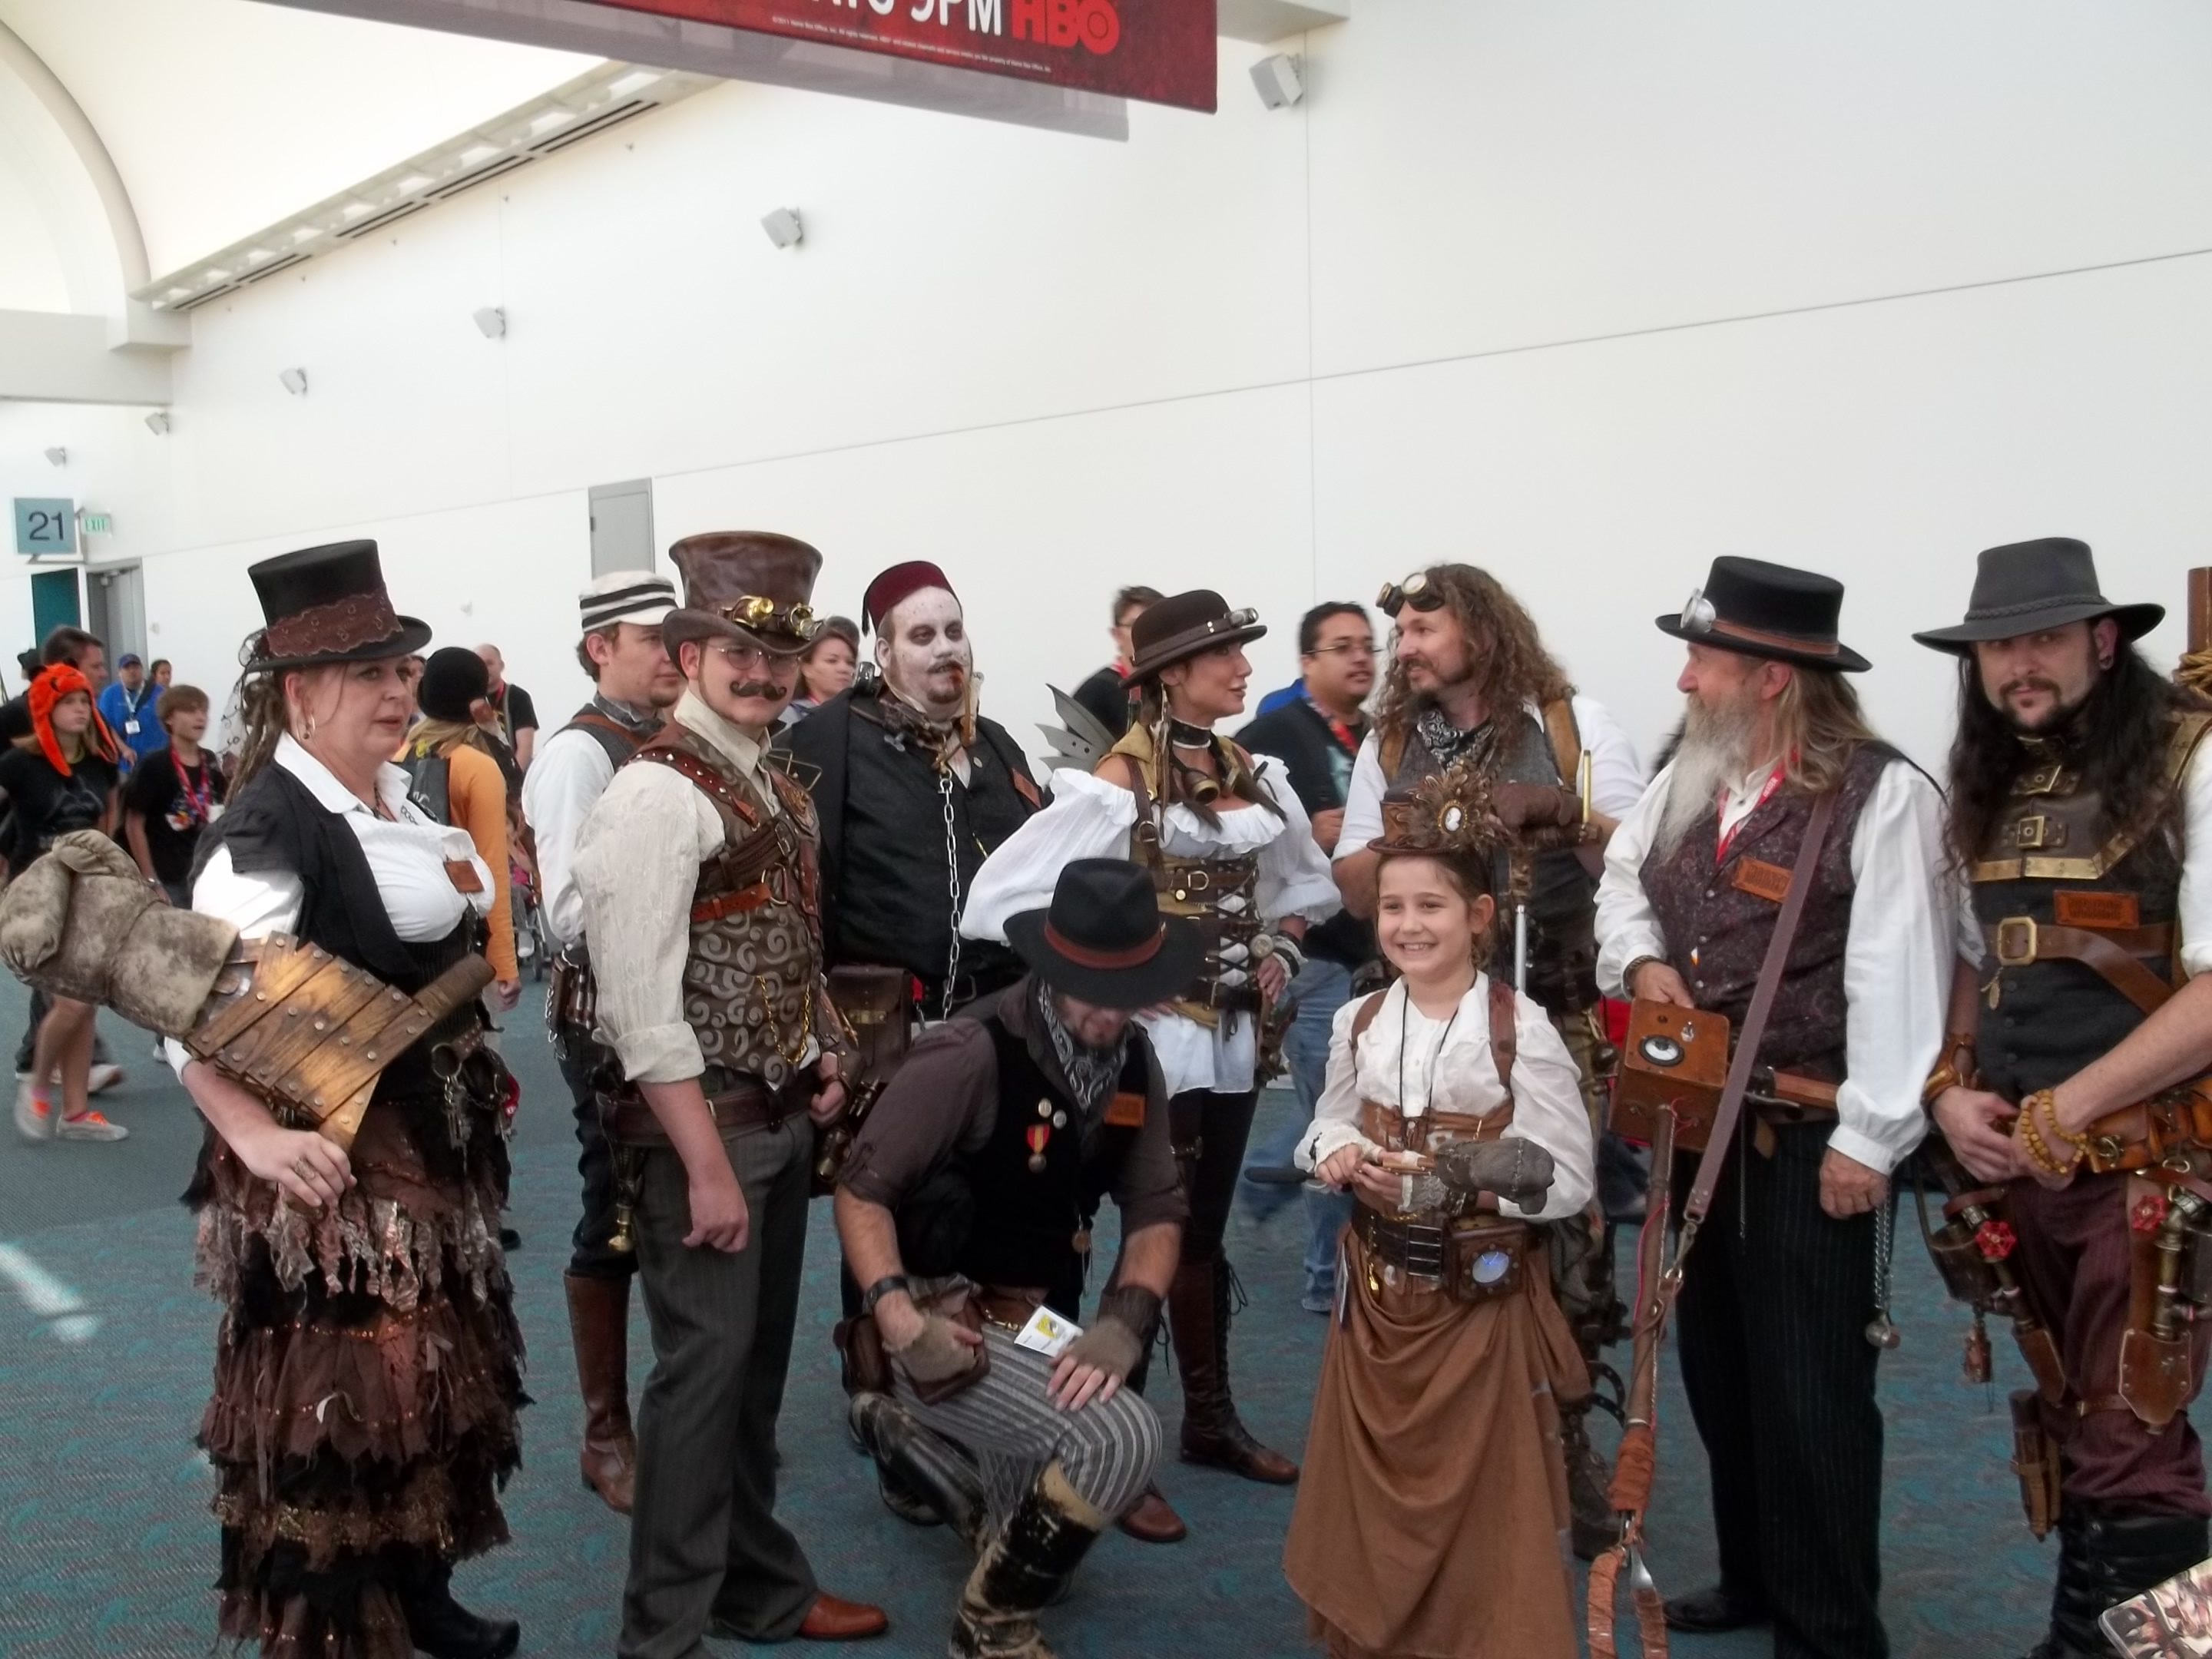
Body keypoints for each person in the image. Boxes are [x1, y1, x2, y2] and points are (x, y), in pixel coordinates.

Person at [168, 539, 525, 1657]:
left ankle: (417, 1596)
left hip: (430, 1156)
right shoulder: (266, 832)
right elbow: (188, 1013)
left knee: (425, 1386)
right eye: (369, 673)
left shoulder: (399, 801)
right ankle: (330, 1634)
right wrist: (254, 1137)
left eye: (403, 669)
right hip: (336, 1179)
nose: (397, 690)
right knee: (340, 1412)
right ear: (300, 696)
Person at [1594, 555, 1949, 1659]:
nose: (1685, 680)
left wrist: (1870, 1139)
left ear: (1773, 678)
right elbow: (1622, 882)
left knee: (1813, 1396)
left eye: (1703, 660)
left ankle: (1830, 1629)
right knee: (1721, 1375)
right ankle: (1754, 1576)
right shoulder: (1690, 779)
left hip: (1811, 1138)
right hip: (1700, 1122)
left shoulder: (1882, 794)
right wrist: (1644, 963)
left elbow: (1900, 971)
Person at [962, 588, 1340, 1543]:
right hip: (1152, 1047)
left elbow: (1303, 884)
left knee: (1201, 1232)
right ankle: (1115, 1442)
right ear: (1172, 676)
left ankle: (1208, 1419)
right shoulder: (1115, 783)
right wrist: (1108, 979)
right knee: (1144, 1228)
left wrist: (1283, 945)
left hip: (1235, 1039)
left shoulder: (1254, 774)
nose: (1244, 670)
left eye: (1242, 654)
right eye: (1225, 657)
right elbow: (1002, 900)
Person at [573, 531, 886, 1656]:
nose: (762, 674)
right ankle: (661, 1635)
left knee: (749, 1380)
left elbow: (789, 942)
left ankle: (754, 1587)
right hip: (702, 1136)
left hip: (778, 1117)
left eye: (780, 656)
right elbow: (637, 1006)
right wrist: (705, 1165)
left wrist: (824, 1050)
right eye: (737, 654)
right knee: (702, 1383)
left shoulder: (769, 779)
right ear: (689, 656)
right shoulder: (654, 795)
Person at [1916, 538, 2212, 1659]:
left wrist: (2074, 1106)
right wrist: (1951, 1090)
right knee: (2073, 1416)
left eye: (2042, 640)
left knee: (2139, 1432)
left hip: (2153, 1168)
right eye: (1998, 649)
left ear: (2103, 639)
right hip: (2026, 1166)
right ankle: (2082, 1642)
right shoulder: (1990, 779)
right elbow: (1972, 954)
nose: (2019, 667)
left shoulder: (2194, 758)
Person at [1332, 560, 1644, 1557]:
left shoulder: (1573, 725)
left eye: (1426, 630)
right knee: (1426, 1209)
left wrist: (1568, 816)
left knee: (1566, 1222)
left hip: (1550, 1010)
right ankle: (1444, 1432)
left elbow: (1639, 863)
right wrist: (1414, 835)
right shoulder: (1390, 742)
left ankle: (1568, 1437)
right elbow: (1351, 888)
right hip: (1426, 1014)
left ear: (1484, 630)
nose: (1408, 650)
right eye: (1402, 635)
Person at [833, 859, 1192, 1659]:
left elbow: (1157, 1210)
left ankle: (898, 1439)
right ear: (1052, 968)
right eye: (1091, 985)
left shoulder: (1134, 1063)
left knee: (1031, 1548)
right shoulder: (970, 1051)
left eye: (1127, 988)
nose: (1109, 1009)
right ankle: (987, 1630)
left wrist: (1124, 1326)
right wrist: (900, 1324)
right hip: (942, 1318)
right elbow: (859, 1192)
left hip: (1035, 1319)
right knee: (1123, 1439)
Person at [1286, 768, 1597, 1659]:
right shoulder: (1358, 1020)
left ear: (1479, 917)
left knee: (1476, 1491)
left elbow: (1567, 1176)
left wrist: (1450, 1180)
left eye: (1432, 906)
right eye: (1393, 907)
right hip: (1378, 1299)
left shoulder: (1518, 1029)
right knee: (1375, 1491)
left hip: (1475, 1305)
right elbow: (1325, 1123)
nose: (1409, 925)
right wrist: (1336, 1154)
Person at [522, 568, 684, 1515]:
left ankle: (684, 1411)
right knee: (613, 1211)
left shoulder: (673, 738)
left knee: (683, 1206)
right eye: (654, 639)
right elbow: (568, 913)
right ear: (600, 648)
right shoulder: (579, 756)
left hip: (682, 1013)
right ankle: (603, 1428)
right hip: (607, 1025)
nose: (674, 655)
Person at [782, 561, 1044, 1022]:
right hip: (892, 1028)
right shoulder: (824, 747)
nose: (946, 649)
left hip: (1011, 1016)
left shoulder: (998, 744)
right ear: (885, 653)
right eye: (922, 636)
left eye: (954, 632)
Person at [1237, 601, 1379, 1313]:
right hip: (1304, 954)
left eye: (1367, 646)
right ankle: (1328, 1277)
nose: (1360, 658)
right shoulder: (1271, 734)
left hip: (1358, 953)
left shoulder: (1374, 736)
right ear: (1307, 662)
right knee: (1337, 1113)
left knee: (1341, 1103)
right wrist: (1306, 837)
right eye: (1342, 646)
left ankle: (1268, 1177)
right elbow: (1231, 829)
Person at [5, 664, 126, 1144]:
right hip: (35, 894)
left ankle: (74, 1114)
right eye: (69, 702)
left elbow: (107, 824)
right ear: (45, 708)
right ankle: (37, 1085)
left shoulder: (99, 763)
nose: (80, 709)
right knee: (72, 1001)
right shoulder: (19, 764)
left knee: (86, 1004)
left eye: (84, 701)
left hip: (87, 892)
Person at [396, 648, 523, 1014]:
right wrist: (502, 962)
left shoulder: (397, 757)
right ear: (477, 703)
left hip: (408, 935)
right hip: (466, 947)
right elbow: (492, 867)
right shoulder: (478, 767)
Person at [123, 683, 225, 908]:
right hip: (169, 877)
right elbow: (134, 823)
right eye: (190, 710)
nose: (200, 717)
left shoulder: (209, 760)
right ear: (169, 718)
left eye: (203, 711)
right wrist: (151, 879)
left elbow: (220, 808)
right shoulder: (154, 764)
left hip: (207, 870)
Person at [1070, 585, 1160, 740]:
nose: (1147, 633)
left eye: (1155, 624)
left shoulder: (1175, 689)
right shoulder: (1095, 693)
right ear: (1117, 634)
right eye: (1136, 625)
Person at [0, 624, 106, 744]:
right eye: (96, 667)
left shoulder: (94, 718)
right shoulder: (11, 718)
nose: (104, 674)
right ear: (66, 667)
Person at [781, 614, 859, 726]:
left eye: (850, 663)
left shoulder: (861, 717)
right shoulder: (788, 717)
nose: (844, 669)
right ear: (806, 668)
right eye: (832, 661)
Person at [474, 643, 537, 769]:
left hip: (510, 771)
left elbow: (525, 747)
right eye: (479, 664)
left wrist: (513, 777)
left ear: (501, 665)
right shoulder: (468, 699)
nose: (484, 669)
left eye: (489, 663)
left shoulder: (518, 697)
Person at [97, 652, 164, 770]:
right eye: (127, 668)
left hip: (156, 762)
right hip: (125, 762)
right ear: (119, 672)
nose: (132, 671)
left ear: (142, 670)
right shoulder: (109, 694)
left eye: (136, 667)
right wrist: (124, 749)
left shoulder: (160, 693)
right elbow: (105, 725)